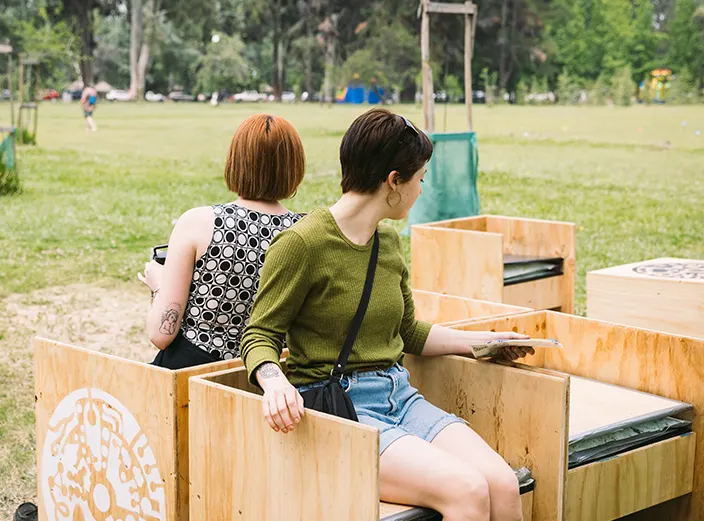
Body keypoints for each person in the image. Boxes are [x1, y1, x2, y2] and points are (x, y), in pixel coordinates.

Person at [241, 108, 534, 521]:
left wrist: (483, 343)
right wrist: (273, 384)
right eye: (419, 179)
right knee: (466, 490)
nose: (421, 189)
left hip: (400, 396)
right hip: (341, 408)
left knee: (501, 483)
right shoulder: (301, 244)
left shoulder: (389, 241)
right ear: (393, 181)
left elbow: (408, 332)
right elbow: (259, 334)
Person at [138, 114, 305, 370]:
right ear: (294, 167)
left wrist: (158, 285)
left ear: (236, 162)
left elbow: (161, 334)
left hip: (192, 373)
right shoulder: (304, 231)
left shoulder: (199, 222)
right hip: (269, 376)